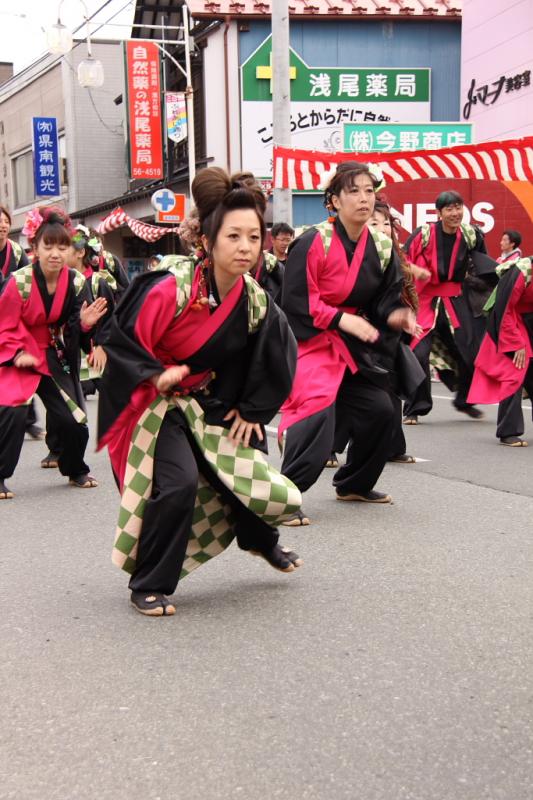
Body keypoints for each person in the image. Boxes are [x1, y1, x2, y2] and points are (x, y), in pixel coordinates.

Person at [97, 167, 303, 617]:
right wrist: (155, 374)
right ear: (207, 240)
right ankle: (147, 583)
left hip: (201, 399)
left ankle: (257, 536)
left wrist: (252, 409)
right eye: (233, 236)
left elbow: (274, 354)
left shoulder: (253, 299)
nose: (246, 247)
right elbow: (123, 341)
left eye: (254, 236)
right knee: (180, 482)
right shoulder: (172, 286)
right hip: (150, 403)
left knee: (234, 464)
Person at [278, 161, 417, 526]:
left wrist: (395, 314)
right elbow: (296, 300)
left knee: (381, 410)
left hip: (351, 343)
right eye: (353, 191)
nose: (363, 198)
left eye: (369, 191)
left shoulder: (383, 247)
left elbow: (383, 300)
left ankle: (353, 482)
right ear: (334, 201)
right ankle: (282, 498)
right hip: (311, 340)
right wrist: (341, 318)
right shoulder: (312, 240)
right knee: (317, 410)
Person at [0, 206, 107, 499]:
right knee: (13, 412)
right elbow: (4, 325)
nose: (56, 253)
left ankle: (75, 468)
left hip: (50, 352)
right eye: (48, 246)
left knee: (74, 419)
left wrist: (84, 325)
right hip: (17, 352)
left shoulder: (75, 281)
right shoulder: (18, 282)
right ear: (35, 248)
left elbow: (74, 324)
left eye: (63, 246)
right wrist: (18, 351)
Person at [403, 190, 496, 424]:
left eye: (458, 207)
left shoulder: (471, 233)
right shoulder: (424, 234)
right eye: (449, 209)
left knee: (471, 354)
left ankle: (464, 400)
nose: (455, 213)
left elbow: (482, 263)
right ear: (439, 213)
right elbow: (402, 260)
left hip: (457, 300)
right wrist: (417, 274)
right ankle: (415, 407)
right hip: (425, 301)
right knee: (418, 353)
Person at [468, 255, 533, 446]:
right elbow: (504, 309)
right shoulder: (522, 271)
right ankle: (508, 430)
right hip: (513, 320)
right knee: (514, 372)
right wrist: (516, 343)